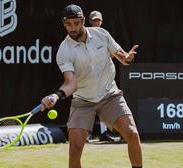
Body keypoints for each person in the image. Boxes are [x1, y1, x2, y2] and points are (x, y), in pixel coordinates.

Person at [41, 4, 143, 168]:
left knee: (132, 133)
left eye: (76, 23)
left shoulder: (102, 34)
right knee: (74, 149)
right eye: (69, 24)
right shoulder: (64, 50)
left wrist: (129, 58)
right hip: (83, 101)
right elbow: (71, 83)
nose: (73, 28)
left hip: (110, 95)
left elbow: (123, 58)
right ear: (64, 24)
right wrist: (56, 95)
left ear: (82, 21)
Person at [88, 10, 120, 142]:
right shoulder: (84, 35)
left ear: (101, 21)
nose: (96, 22)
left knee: (104, 106)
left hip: (103, 79)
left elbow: (113, 53)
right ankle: (85, 134)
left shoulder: (105, 35)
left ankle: (103, 133)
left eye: (98, 20)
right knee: (88, 106)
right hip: (87, 78)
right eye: (94, 20)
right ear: (90, 22)